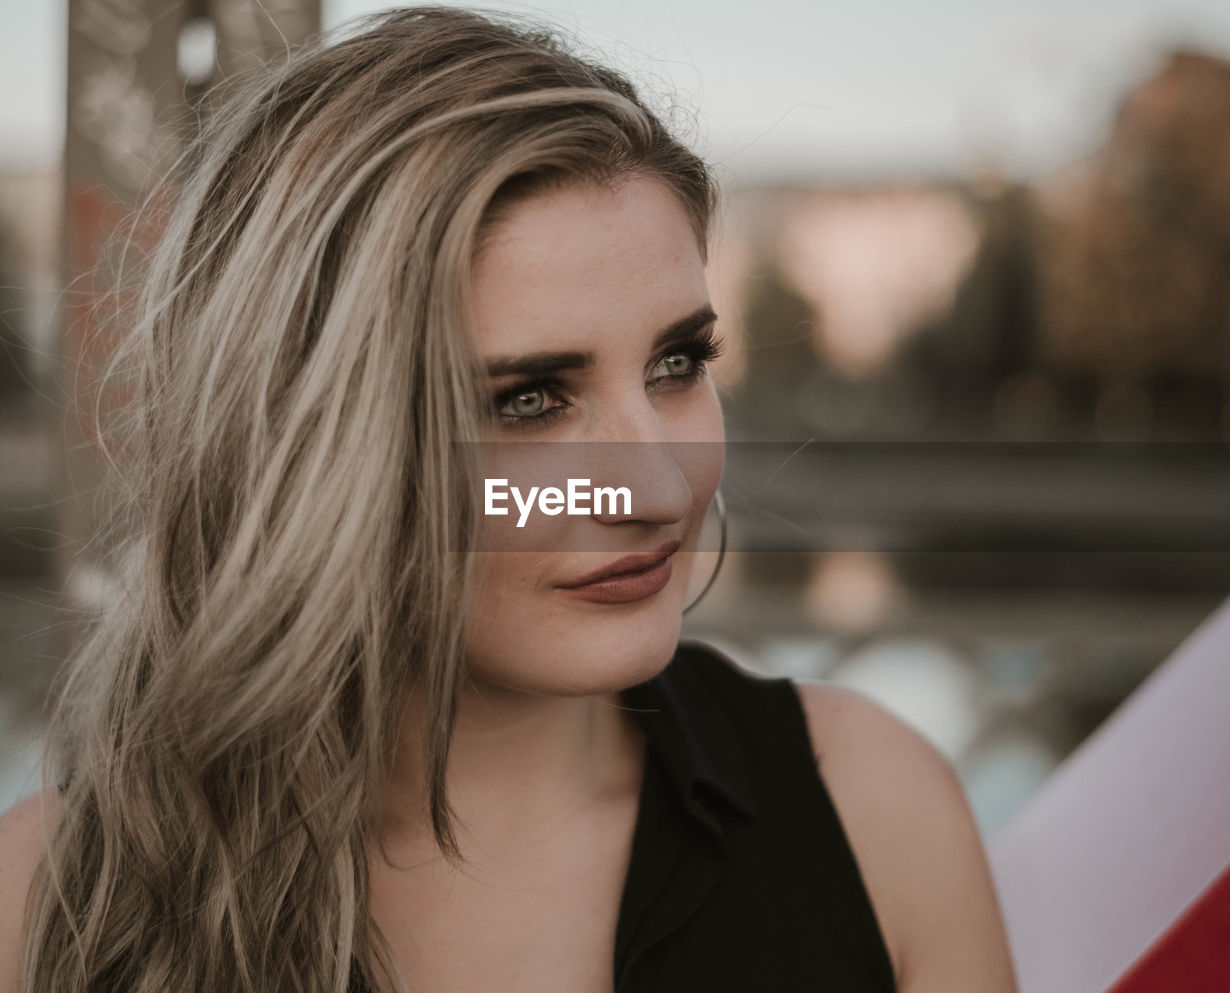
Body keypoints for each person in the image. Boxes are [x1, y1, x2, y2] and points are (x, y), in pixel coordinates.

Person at [0, 7, 1018, 992]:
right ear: (302, 438)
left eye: (677, 361)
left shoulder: (867, 811)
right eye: (527, 400)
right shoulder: (47, 907)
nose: (659, 488)